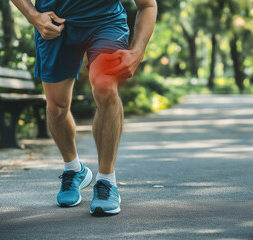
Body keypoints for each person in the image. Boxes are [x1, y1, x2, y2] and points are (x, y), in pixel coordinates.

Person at [11, 0, 157, 216]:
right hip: (55, 24)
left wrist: (137, 51)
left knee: (105, 88)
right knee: (56, 109)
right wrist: (33, 15)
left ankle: (106, 181)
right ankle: (74, 170)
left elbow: (148, 5)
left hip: (105, 23)